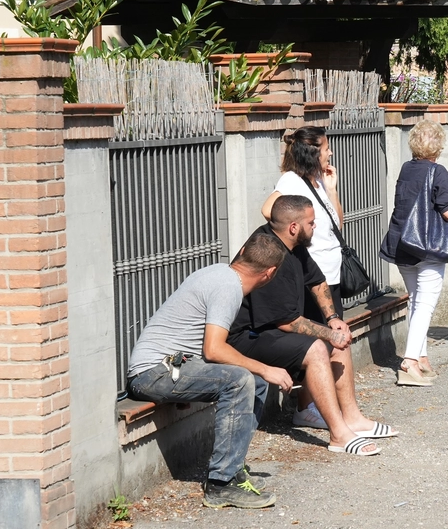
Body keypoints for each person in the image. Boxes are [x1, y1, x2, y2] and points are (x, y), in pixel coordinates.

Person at [126, 232, 289, 509]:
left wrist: (261, 373)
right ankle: (221, 485)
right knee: (240, 380)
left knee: (256, 382)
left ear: (241, 251)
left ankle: (233, 467)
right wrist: (266, 368)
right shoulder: (228, 287)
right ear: (270, 273)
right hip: (153, 373)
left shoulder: (220, 272)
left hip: (171, 367)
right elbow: (214, 350)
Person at [229, 195, 394, 456]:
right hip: (244, 338)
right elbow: (286, 322)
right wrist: (328, 334)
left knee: (337, 335)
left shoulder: (293, 243)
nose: (315, 226)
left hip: (270, 329)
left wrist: (333, 320)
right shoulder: (269, 252)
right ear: (294, 227)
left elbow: (317, 281)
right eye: (311, 222)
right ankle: (338, 434)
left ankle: (351, 417)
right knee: (319, 347)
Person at [261, 126, 344, 430]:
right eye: (325, 148)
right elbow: (269, 210)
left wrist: (332, 189)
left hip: (329, 272)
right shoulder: (290, 181)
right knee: (317, 342)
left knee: (330, 338)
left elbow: (338, 223)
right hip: (311, 274)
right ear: (312, 152)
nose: (330, 152)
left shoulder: (319, 180)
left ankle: (316, 405)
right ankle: (305, 407)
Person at [380, 120, 448, 386]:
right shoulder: (439, 172)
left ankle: (421, 357)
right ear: (438, 146)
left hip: (402, 242)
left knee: (415, 300)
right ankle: (410, 360)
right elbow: (447, 211)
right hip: (429, 247)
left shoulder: (406, 169)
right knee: (425, 303)